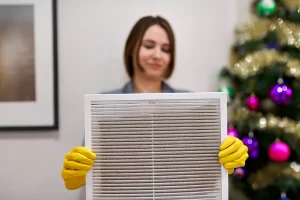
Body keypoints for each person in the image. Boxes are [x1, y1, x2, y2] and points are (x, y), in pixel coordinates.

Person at [61, 15, 249, 190]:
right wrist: (78, 174)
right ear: (132, 48)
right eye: (149, 46)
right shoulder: (103, 107)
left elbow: (206, 166)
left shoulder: (191, 107)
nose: (158, 55)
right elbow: (91, 169)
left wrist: (229, 153)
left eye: (166, 49)